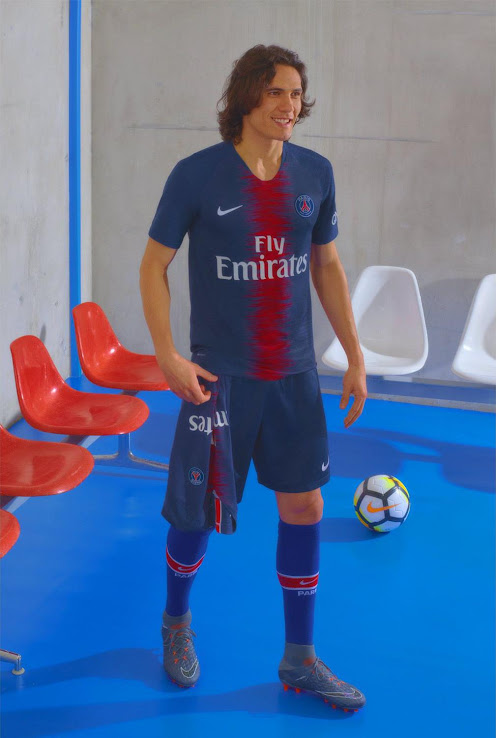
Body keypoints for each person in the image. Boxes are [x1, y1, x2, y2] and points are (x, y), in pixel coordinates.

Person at [140, 44, 367, 712]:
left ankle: (300, 660)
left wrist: (354, 355)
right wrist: (167, 355)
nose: (288, 105)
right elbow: (153, 266)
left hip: (293, 377)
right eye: (274, 92)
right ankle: (176, 621)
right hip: (220, 382)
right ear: (245, 97)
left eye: (295, 93)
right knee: (198, 516)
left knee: (305, 507)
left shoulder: (315, 173)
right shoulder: (197, 176)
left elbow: (326, 266)